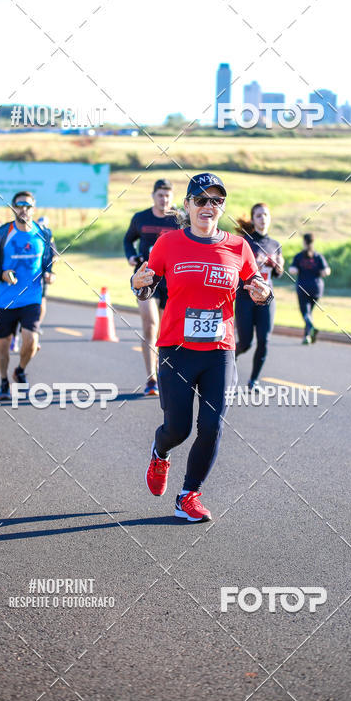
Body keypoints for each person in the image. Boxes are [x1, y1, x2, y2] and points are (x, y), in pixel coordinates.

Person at [132, 173, 272, 522]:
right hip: (176, 349)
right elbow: (147, 284)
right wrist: (137, 284)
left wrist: (264, 295)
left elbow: (257, 286)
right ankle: (160, 451)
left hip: (219, 350)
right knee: (177, 429)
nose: (209, 206)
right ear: (188, 205)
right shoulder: (168, 244)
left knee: (212, 425)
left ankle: (188, 495)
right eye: (201, 200)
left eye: (216, 201)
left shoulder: (239, 247)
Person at [0, 191, 56, 400]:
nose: (24, 209)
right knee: (3, 343)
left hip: (32, 297)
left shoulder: (44, 233)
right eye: (19, 205)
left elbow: (49, 258)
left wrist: (49, 274)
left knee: (31, 339)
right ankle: (3, 380)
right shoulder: (2, 233)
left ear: (33, 208)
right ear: (13, 208)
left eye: (28, 206)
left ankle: (20, 370)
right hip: (4, 298)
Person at [124, 179, 178, 396]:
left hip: (171, 280)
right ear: (153, 196)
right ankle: (151, 378)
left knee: (166, 330)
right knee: (150, 325)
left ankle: (165, 373)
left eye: (167, 195)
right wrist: (130, 257)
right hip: (146, 278)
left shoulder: (179, 219)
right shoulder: (141, 218)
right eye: (160, 195)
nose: (163, 199)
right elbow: (128, 240)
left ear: (172, 197)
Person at [235, 204, 284, 388]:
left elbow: (278, 273)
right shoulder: (245, 242)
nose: (262, 218)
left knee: (264, 340)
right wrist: (255, 263)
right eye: (258, 215)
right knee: (246, 343)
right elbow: (236, 269)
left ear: (269, 218)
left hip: (266, 298)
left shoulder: (275, 245)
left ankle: (253, 380)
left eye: (265, 215)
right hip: (245, 297)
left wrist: (279, 266)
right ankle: (232, 357)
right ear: (253, 219)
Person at [289, 233, 331, 344]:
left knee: (305, 313)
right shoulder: (318, 256)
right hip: (317, 288)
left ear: (304, 242)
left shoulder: (299, 256)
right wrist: (322, 272)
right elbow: (327, 271)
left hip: (303, 288)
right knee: (309, 313)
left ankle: (311, 327)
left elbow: (292, 269)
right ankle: (307, 337)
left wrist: (295, 270)